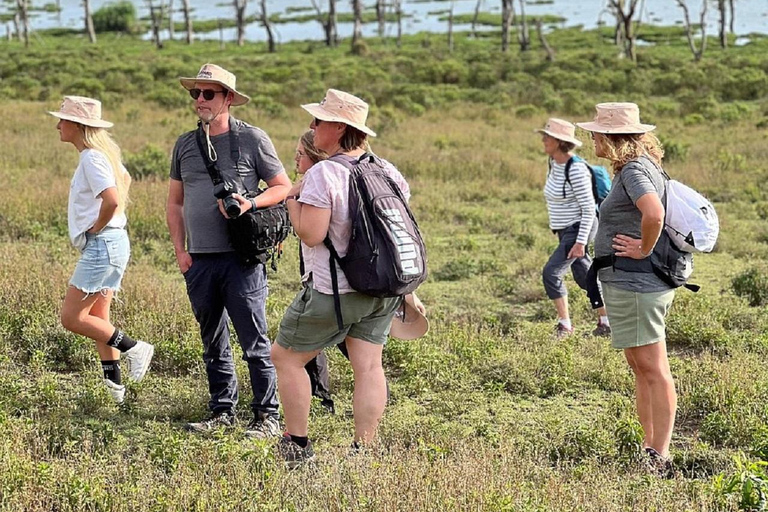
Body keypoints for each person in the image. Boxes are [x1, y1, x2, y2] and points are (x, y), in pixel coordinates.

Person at [271, 89, 425, 467]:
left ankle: (298, 446)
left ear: (339, 127)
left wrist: (293, 200)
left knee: (285, 358)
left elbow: (312, 234)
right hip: (384, 289)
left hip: (334, 292)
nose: (312, 126)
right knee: (369, 365)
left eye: (319, 120)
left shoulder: (325, 173)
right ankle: (365, 449)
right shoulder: (387, 170)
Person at [166, 63, 291, 437]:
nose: (200, 100)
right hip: (199, 259)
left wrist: (250, 203)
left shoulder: (252, 139)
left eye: (209, 94)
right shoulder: (185, 144)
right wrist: (181, 252)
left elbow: (283, 186)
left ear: (229, 99)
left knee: (254, 341)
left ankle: (268, 416)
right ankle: (222, 411)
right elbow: (174, 203)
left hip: (242, 259)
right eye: (196, 93)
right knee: (212, 340)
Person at [577, 103, 676, 475]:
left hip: (638, 284)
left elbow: (653, 214)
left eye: (595, 133)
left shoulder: (634, 170)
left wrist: (644, 248)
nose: (591, 139)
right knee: (640, 366)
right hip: (629, 282)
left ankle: (659, 454)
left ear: (611, 137)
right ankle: (648, 444)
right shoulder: (639, 166)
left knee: (652, 368)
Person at [51, 96, 154, 405]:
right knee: (99, 318)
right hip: (113, 243)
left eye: (62, 120)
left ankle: (136, 348)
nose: (58, 124)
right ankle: (115, 391)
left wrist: (96, 227)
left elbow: (110, 198)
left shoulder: (91, 158)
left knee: (71, 318)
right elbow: (126, 178)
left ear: (78, 126)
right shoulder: (101, 155)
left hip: (103, 243)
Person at [537, 118, 610, 338]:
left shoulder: (576, 169)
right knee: (584, 277)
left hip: (579, 228)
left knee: (551, 273)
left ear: (559, 142)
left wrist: (580, 242)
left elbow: (589, 210)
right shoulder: (553, 163)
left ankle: (565, 325)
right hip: (565, 230)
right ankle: (607, 322)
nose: (543, 140)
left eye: (547, 137)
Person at [294, 130, 336, 413]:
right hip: (322, 274)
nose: (295, 158)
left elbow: (310, 234)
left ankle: (321, 399)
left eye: (300, 154)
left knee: (303, 340)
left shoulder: (317, 181)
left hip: (327, 276)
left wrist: (289, 198)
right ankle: (322, 397)